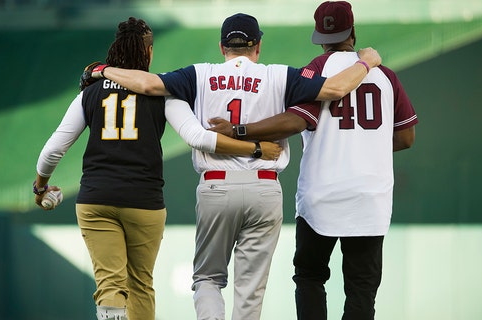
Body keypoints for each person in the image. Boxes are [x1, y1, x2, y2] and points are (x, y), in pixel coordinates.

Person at [81, 12, 381, 320]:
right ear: (258, 47)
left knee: (208, 279)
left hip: (216, 184)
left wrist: (103, 70)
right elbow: (334, 89)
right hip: (265, 186)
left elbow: (145, 84)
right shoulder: (279, 74)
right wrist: (366, 62)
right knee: (250, 290)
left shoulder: (199, 73)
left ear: (223, 47)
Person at [34, 17, 282, 320]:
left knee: (110, 283)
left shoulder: (90, 93)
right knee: (140, 284)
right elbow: (198, 138)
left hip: (97, 198)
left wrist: (41, 186)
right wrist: (255, 148)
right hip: (144, 201)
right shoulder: (162, 93)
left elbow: (53, 150)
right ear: (148, 53)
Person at [207, 2, 418, 319]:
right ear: (353, 32)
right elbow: (405, 137)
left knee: (310, 277)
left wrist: (241, 131)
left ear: (320, 37)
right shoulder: (385, 76)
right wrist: (364, 145)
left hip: (322, 194)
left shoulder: (316, 69)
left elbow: (295, 121)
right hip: (370, 197)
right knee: (361, 289)